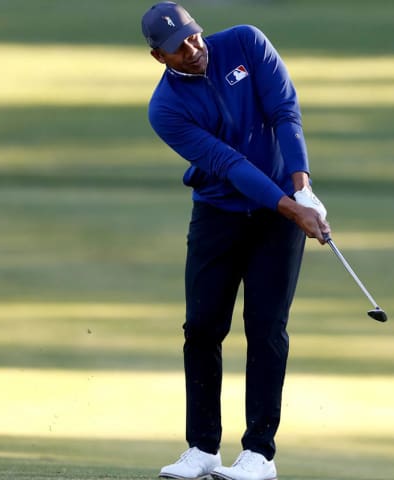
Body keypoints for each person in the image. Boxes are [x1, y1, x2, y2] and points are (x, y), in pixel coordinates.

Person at [141, 3, 330, 480]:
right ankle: (203, 448)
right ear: (157, 57)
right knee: (202, 327)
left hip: (280, 213)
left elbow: (284, 110)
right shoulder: (166, 109)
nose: (193, 49)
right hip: (219, 214)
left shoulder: (246, 42)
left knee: (265, 328)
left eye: (193, 36)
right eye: (177, 48)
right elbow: (228, 164)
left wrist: (302, 187)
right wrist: (293, 208)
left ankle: (259, 454)